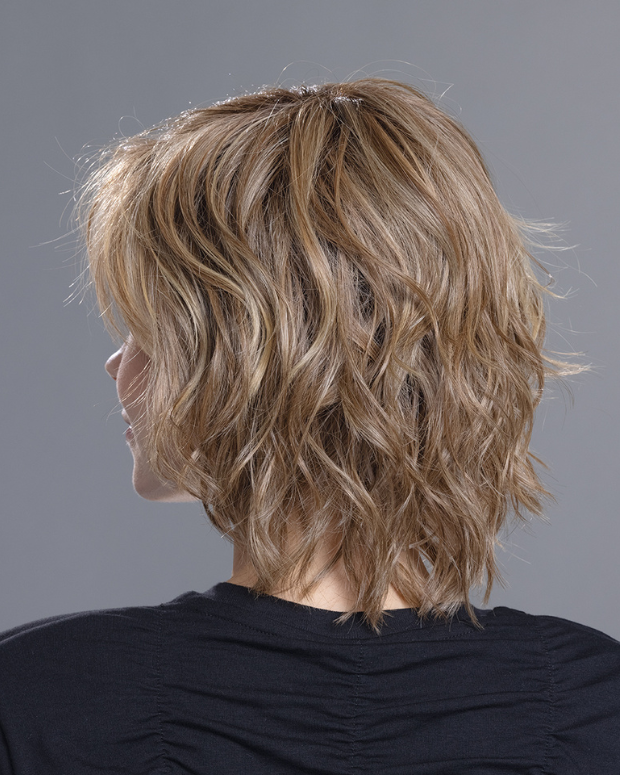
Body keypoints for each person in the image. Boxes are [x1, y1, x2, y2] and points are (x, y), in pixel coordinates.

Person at [0, 78, 618, 774]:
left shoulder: (39, 700)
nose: (117, 362)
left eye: (149, 327)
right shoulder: (593, 704)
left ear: (247, 357)